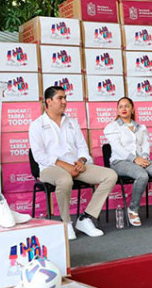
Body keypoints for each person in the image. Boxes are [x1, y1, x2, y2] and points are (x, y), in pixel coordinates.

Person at [29, 86, 118, 240]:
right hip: (50, 168)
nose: (64, 102)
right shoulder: (36, 125)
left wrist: (82, 161)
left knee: (110, 175)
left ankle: (86, 218)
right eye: (60, 98)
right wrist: (66, 166)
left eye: (65, 98)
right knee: (64, 179)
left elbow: (82, 147)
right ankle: (66, 222)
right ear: (48, 101)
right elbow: (39, 156)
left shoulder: (72, 122)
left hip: (75, 166)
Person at [103, 97, 152, 227]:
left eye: (127, 106)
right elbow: (117, 148)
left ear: (132, 109)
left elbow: (145, 145)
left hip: (141, 160)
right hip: (120, 162)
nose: (123, 109)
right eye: (120, 106)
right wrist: (134, 159)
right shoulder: (112, 127)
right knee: (142, 175)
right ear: (117, 110)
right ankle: (133, 209)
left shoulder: (141, 127)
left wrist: (144, 156)